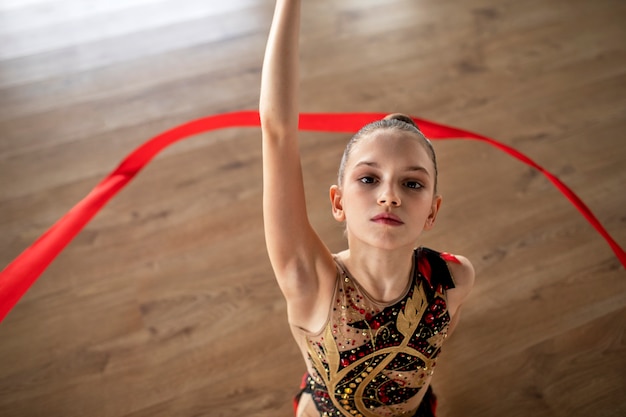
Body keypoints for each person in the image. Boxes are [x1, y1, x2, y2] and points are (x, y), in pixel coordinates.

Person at [259, 1, 475, 416]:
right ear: (338, 201)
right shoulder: (312, 286)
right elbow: (278, 130)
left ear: (432, 211)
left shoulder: (455, 279)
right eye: (368, 178)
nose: (389, 196)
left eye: (412, 183)